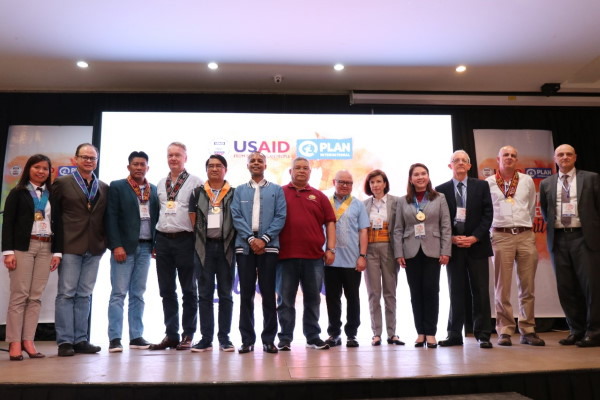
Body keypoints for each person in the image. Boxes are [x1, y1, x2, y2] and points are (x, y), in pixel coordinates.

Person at [540, 144, 600, 347]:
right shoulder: (547, 183)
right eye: (560, 154)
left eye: (568, 154)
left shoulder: (591, 178)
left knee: (591, 287)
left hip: (584, 238)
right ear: (555, 158)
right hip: (559, 239)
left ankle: (594, 332)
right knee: (566, 288)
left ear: (575, 157)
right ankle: (576, 330)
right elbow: (546, 211)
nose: (564, 157)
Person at [2, 154, 61, 360]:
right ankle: (14, 342)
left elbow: (59, 224)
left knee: (35, 297)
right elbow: (8, 223)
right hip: (23, 247)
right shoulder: (17, 192)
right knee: (20, 295)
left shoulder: (52, 195)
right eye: (37, 167)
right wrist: (8, 252)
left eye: (45, 168)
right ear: (29, 169)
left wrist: (58, 252)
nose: (41, 171)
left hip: (46, 246)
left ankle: (28, 340)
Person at [52, 143, 109, 356]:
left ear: (97, 161)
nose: (88, 161)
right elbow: (54, 215)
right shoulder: (62, 183)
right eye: (84, 157)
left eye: (92, 158)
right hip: (69, 245)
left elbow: (105, 217)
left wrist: (104, 243)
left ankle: (81, 339)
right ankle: (65, 341)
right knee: (66, 294)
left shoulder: (103, 187)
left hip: (94, 247)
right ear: (75, 159)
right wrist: (56, 248)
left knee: (85, 294)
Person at [276, 157, 336, 351]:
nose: (301, 171)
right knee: (285, 300)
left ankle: (312, 336)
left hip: (314, 257)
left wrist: (330, 249)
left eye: (305, 168)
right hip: (285, 257)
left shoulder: (319, 196)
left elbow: (330, 223)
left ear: (310, 172)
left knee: (313, 299)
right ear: (290, 172)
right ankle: (285, 338)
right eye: (297, 168)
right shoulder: (279, 193)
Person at [486, 145, 544, 346]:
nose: (509, 158)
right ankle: (505, 330)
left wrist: (524, 227)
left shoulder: (527, 180)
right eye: (505, 155)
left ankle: (528, 329)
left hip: (525, 234)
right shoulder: (489, 183)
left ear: (516, 160)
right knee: (502, 287)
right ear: (498, 159)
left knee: (527, 286)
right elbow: (486, 211)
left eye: (513, 155)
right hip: (500, 235)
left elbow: (531, 207)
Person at [435, 150, 494, 349]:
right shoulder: (440, 190)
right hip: (454, 247)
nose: (460, 163)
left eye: (464, 160)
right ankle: (454, 334)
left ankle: (483, 334)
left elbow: (488, 214)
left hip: (477, 246)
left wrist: (475, 237)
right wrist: (451, 238)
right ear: (450, 165)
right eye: (456, 160)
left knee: (481, 291)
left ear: (469, 166)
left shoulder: (481, 186)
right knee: (456, 291)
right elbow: (438, 219)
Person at [231, 152, 286, 354]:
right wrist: (250, 239)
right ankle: (247, 340)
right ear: (247, 165)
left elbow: (280, 216)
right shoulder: (239, 191)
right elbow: (236, 216)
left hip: (268, 246)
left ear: (265, 165)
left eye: (259, 161)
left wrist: (264, 239)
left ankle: (269, 340)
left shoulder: (276, 190)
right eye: (252, 161)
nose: (256, 163)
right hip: (245, 246)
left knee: (268, 293)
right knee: (246, 294)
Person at [150, 142, 202, 351]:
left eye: (177, 155)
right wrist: (155, 241)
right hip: (163, 240)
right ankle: (171, 334)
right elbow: (158, 212)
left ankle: (188, 334)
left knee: (189, 290)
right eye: (170, 155)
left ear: (185, 158)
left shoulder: (196, 182)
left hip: (185, 240)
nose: (173, 158)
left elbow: (200, 214)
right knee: (166, 290)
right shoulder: (160, 183)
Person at [105, 151, 159, 353]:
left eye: (142, 164)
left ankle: (136, 336)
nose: (139, 167)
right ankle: (115, 338)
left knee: (138, 293)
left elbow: (156, 219)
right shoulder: (118, 186)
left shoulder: (154, 189)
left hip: (146, 247)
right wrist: (116, 245)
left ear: (147, 167)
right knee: (118, 293)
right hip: (124, 248)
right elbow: (111, 217)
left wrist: (156, 244)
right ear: (128, 167)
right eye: (135, 164)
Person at [393, 163, 451, 349]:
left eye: (423, 173)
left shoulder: (439, 198)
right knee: (415, 293)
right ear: (411, 179)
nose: (420, 177)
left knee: (431, 291)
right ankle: (420, 333)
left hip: (433, 250)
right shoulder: (403, 201)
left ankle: (431, 333)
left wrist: (445, 251)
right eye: (416, 174)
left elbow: (445, 226)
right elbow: (398, 229)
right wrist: (398, 253)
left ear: (428, 176)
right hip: (410, 251)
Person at [189, 154, 236, 352]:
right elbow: (192, 220)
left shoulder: (234, 193)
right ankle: (206, 338)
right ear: (206, 169)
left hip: (226, 248)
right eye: (211, 166)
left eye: (218, 166)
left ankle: (224, 338)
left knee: (226, 294)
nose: (214, 169)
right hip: (204, 248)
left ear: (225, 169)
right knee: (204, 295)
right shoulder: (197, 192)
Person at [324, 170, 370, 348]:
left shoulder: (358, 205)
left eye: (348, 183)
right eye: (341, 182)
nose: (344, 185)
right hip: (329, 260)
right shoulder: (325, 202)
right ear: (334, 182)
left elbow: (363, 231)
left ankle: (352, 334)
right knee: (332, 299)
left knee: (353, 298)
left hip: (352, 260)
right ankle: (334, 333)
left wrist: (362, 256)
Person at [363, 169, 404, 346]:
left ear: (385, 183)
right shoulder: (364, 204)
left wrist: (400, 253)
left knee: (390, 293)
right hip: (370, 250)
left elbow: (400, 227)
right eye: (372, 182)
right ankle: (376, 333)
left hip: (389, 249)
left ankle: (392, 333)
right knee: (373, 293)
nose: (375, 185)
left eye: (379, 181)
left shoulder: (397, 202)